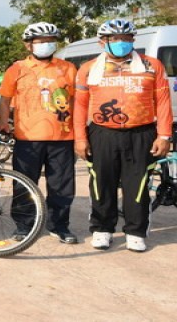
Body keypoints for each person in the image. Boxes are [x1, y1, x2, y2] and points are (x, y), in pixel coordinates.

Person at [74, 19, 173, 252]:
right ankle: (102, 229)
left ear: (133, 41)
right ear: (102, 42)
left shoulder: (152, 66)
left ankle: (136, 231)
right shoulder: (88, 69)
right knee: (101, 182)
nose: (121, 43)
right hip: (102, 133)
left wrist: (164, 135)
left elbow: (163, 102)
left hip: (141, 133)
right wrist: (80, 137)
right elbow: (79, 106)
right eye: (115, 39)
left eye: (126, 39)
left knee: (137, 184)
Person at [0, 22, 78, 244]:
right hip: (27, 138)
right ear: (28, 45)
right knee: (24, 183)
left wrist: (79, 132)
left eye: (50, 41)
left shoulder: (68, 68)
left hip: (62, 137)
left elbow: (75, 100)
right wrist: (5, 123)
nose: (46, 45)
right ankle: (24, 225)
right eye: (40, 42)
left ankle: (59, 225)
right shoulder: (17, 69)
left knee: (61, 185)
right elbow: (4, 100)